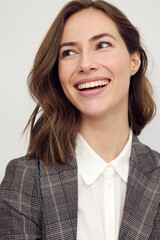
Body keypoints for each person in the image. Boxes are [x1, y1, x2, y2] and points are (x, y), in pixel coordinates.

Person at [0, 0, 159, 239]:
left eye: (102, 45)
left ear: (134, 61)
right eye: (69, 52)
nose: (85, 64)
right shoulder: (25, 178)